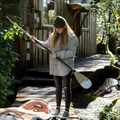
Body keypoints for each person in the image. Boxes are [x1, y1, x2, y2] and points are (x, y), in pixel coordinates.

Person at [29, 16, 79, 119]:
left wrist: (58, 54)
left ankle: (66, 110)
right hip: (55, 66)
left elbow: (72, 52)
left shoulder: (72, 37)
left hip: (66, 67)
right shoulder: (52, 36)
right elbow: (46, 46)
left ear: (65, 27)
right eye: (56, 28)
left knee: (66, 88)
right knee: (58, 88)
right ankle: (57, 108)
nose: (57, 30)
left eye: (59, 28)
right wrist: (36, 41)